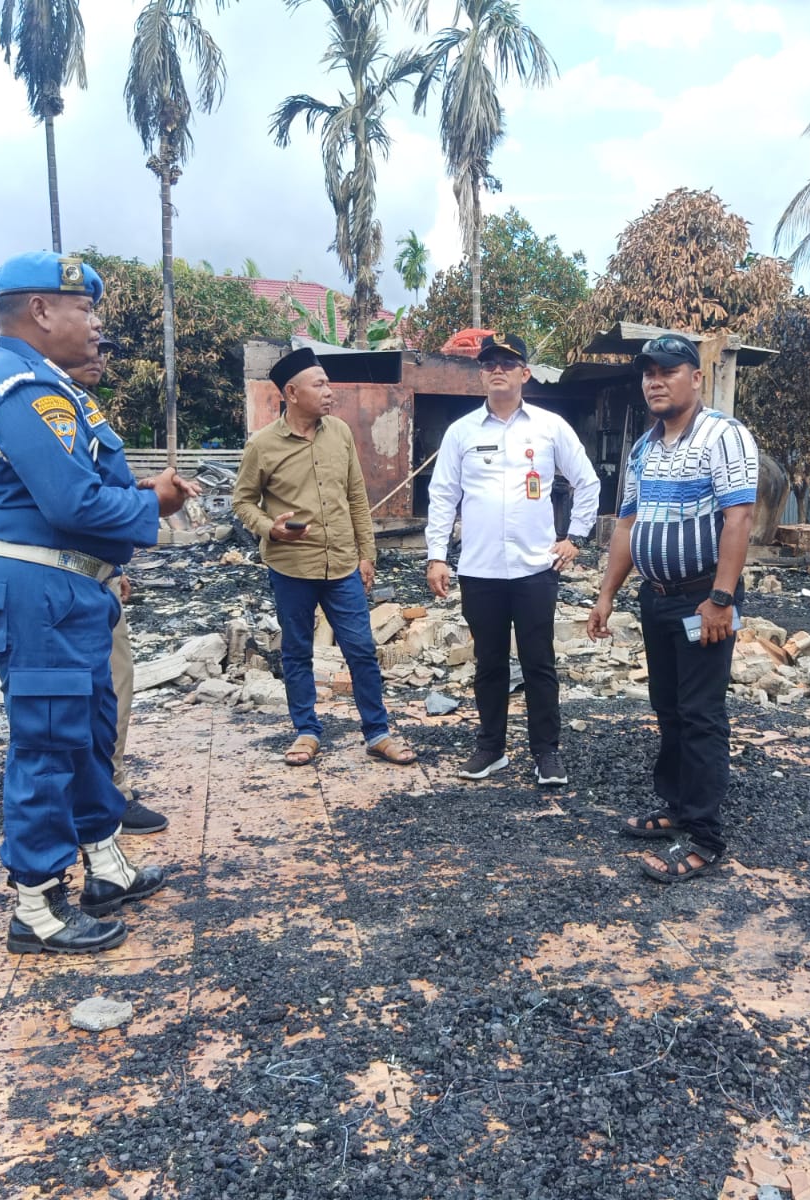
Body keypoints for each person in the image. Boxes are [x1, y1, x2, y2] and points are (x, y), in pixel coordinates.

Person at [0, 251, 196, 956]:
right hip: (35, 591)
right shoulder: (24, 389)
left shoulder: (50, 387)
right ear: (40, 312)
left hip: (65, 590)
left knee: (86, 732)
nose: (94, 324)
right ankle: (36, 902)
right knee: (49, 743)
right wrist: (153, 500)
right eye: (84, 310)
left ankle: (105, 865)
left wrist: (137, 495)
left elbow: (76, 484)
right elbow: (72, 501)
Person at [588, 334, 758, 883]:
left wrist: (721, 600)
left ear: (695, 377)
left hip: (702, 598)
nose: (655, 381)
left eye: (667, 370)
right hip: (656, 598)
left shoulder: (723, 437)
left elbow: (738, 520)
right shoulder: (644, 447)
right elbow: (627, 525)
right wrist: (607, 594)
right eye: (647, 373)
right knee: (667, 708)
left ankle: (705, 836)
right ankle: (676, 809)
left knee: (701, 716)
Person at [425, 334, 600, 786]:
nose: (497, 370)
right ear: (481, 374)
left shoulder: (549, 427)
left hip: (535, 570)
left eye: (507, 363)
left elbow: (587, 481)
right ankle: (490, 749)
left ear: (525, 373)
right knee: (489, 663)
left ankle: (546, 753)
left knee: (539, 664)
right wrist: (436, 557)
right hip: (480, 570)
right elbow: (443, 496)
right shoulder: (461, 432)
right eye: (489, 364)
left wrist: (575, 537)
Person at [233, 346, 417, 769]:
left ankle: (378, 732)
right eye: (320, 384)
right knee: (297, 652)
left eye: (327, 383)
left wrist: (367, 554)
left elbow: (356, 495)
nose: (329, 391)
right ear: (292, 393)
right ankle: (306, 732)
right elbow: (243, 502)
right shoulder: (262, 445)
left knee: (361, 649)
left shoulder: (340, 432)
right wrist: (268, 528)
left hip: (343, 567)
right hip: (291, 567)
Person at [63, 335, 168, 836]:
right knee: (93, 694)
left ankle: (104, 788)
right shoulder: (47, 407)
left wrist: (116, 566)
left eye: (105, 348)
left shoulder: (84, 409)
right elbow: (75, 505)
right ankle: (104, 795)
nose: (100, 356)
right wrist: (151, 505)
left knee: (112, 690)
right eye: (90, 343)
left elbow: (99, 494)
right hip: (65, 584)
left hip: (94, 576)